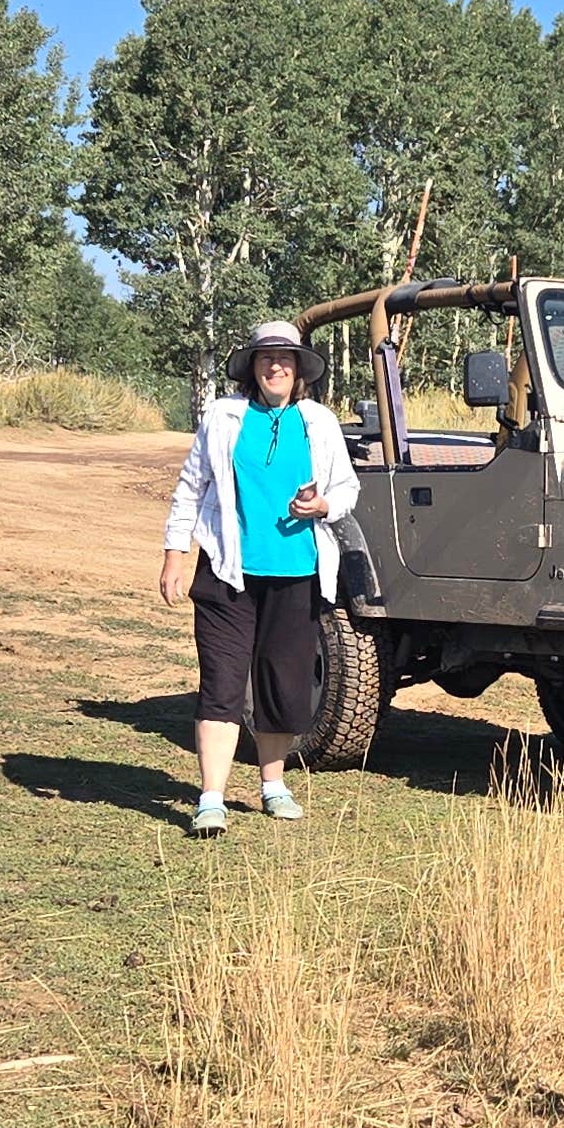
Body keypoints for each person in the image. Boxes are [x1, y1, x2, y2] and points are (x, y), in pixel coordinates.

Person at [159, 320, 359, 836]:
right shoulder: (225, 417)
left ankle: (273, 785)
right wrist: (175, 553)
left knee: (283, 686)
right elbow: (190, 486)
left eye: (286, 359)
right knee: (223, 683)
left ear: (299, 371)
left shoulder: (319, 422)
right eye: (266, 358)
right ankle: (211, 799)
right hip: (228, 575)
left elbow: (347, 489)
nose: (276, 366)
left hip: (297, 576)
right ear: (252, 366)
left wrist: (323, 504)